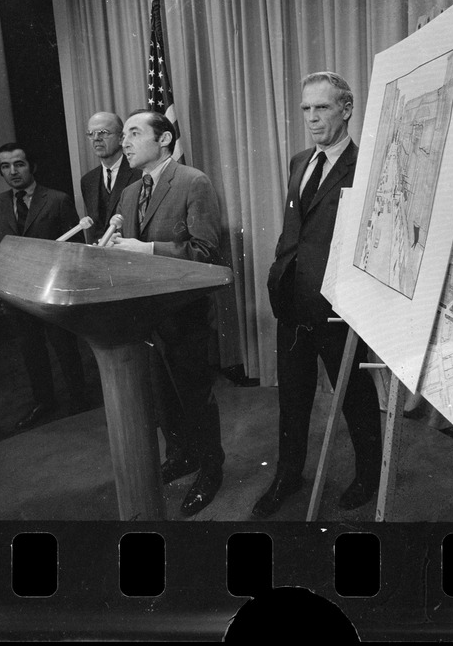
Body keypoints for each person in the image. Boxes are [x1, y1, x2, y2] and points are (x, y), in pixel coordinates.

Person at [254, 71, 383, 519]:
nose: (312, 117)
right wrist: (278, 274)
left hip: (337, 307)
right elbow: (296, 231)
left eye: (322, 107)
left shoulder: (366, 166)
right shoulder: (298, 162)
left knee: (354, 396)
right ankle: (288, 475)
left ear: (346, 109)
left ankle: (368, 475)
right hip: (292, 303)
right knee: (292, 398)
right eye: (306, 108)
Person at [108, 110, 225, 518]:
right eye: (122, 134)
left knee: (194, 397)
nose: (124, 142)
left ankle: (211, 469)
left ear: (164, 139)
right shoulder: (128, 192)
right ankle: (182, 456)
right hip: (147, 317)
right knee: (162, 400)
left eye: (134, 133)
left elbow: (206, 254)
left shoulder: (193, 181)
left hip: (185, 315)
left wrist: (145, 250)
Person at [0, 142, 90, 430]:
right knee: (31, 350)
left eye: (18, 164)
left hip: (52, 290)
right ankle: (44, 401)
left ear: (32, 166)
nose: (12, 171)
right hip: (17, 293)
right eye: (5, 166)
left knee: (64, 346)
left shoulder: (56, 200)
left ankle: (80, 400)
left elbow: (76, 249)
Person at [80, 112, 141, 244]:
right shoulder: (87, 180)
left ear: (121, 138)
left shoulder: (140, 174)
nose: (96, 138)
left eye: (103, 132)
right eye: (91, 134)